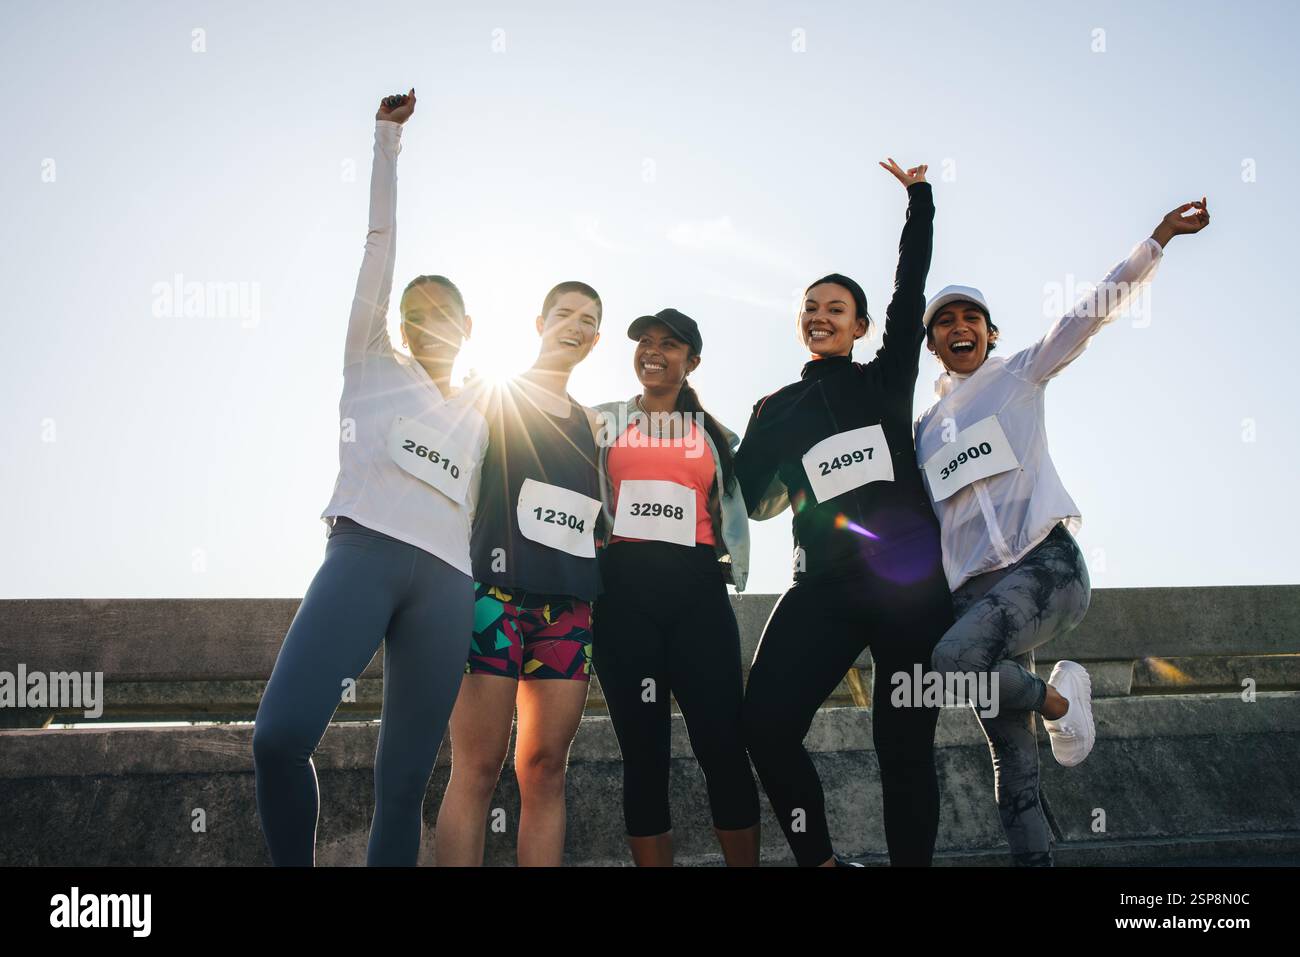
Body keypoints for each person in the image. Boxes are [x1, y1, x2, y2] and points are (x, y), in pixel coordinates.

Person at [916, 198, 1211, 866]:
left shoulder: (1020, 374)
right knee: (1012, 768)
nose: (960, 328)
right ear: (931, 343)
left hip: (1044, 569)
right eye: (945, 323)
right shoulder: (922, 433)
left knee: (948, 664)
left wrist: (1157, 238)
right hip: (975, 599)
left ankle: (1057, 695)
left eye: (971, 318)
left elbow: (1091, 311)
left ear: (990, 333)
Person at [253, 90, 488, 866]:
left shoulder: (485, 413)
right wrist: (386, 141)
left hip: (449, 586)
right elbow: (378, 246)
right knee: (279, 736)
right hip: (363, 555)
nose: (429, 319)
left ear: (468, 328)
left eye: (445, 311)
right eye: (415, 309)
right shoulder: (370, 357)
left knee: (405, 780)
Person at [735, 159, 953, 867]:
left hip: (907, 587)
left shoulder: (886, 378)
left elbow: (910, 285)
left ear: (860, 326)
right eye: (811, 307)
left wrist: (918, 200)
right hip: (821, 587)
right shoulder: (774, 409)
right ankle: (821, 862)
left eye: (836, 308)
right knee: (763, 724)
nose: (820, 315)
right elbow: (750, 501)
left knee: (904, 747)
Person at [434, 282, 606, 866]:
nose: (575, 326)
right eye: (564, 314)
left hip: (568, 607)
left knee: (544, 770)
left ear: (597, 337)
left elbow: (598, 514)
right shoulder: (490, 395)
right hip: (491, 597)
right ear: (539, 322)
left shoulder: (592, 424)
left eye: (588, 320)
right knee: (477, 768)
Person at [590, 309, 761, 866]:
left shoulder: (716, 434)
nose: (653, 350)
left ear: (693, 361)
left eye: (669, 343)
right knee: (644, 752)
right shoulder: (605, 422)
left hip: (697, 592)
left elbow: (764, 496)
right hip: (622, 595)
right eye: (645, 341)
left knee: (723, 745)